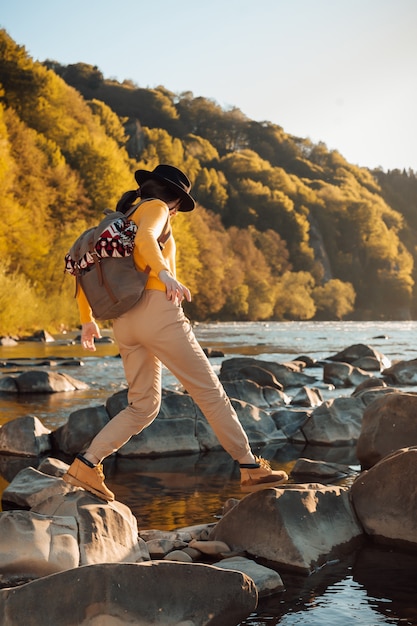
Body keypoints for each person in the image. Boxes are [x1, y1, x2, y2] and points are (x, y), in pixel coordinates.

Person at [63, 164, 288, 501]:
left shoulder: (120, 220)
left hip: (124, 322)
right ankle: (250, 467)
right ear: (176, 200)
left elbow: (83, 267)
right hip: (157, 311)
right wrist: (165, 273)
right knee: (209, 392)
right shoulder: (154, 209)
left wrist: (87, 320)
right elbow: (146, 240)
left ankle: (86, 464)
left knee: (143, 406)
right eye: (181, 205)